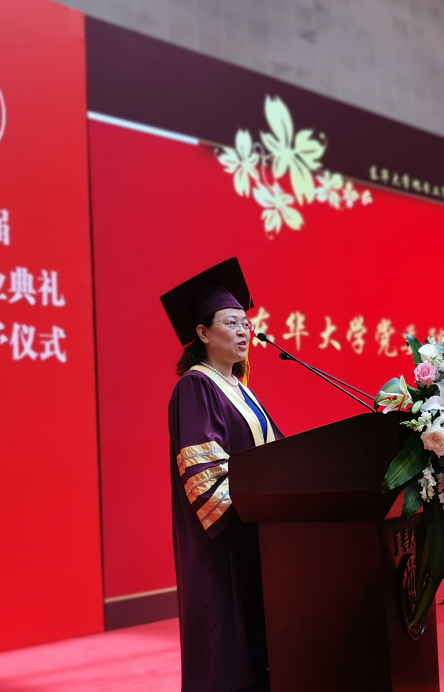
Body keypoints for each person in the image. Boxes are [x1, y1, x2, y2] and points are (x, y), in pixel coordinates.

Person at [162, 258, 283, 692]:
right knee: (228, 651)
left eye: (246, 323)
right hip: (225, 543)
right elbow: (205, 470)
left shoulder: (241, 389)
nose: (243, 331)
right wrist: (258, 505)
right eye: (231, 323)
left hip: (254, 534)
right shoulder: (195, 387)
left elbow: (279, 454)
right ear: (202, 333)